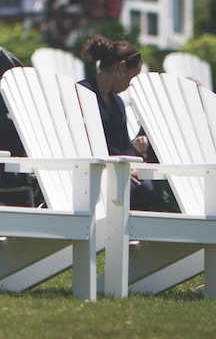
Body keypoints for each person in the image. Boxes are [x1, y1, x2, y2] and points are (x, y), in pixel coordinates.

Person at [76, 35, 177, 213]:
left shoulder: (117, 103)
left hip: (119, 170)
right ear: (121, 67)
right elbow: (80, 143)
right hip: (93, 170)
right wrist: (117, 166)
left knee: (146, 188)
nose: (131, 84)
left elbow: (123, 145)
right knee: (128, 189)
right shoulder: (82, 94)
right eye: (133, 76)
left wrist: (134, 162)